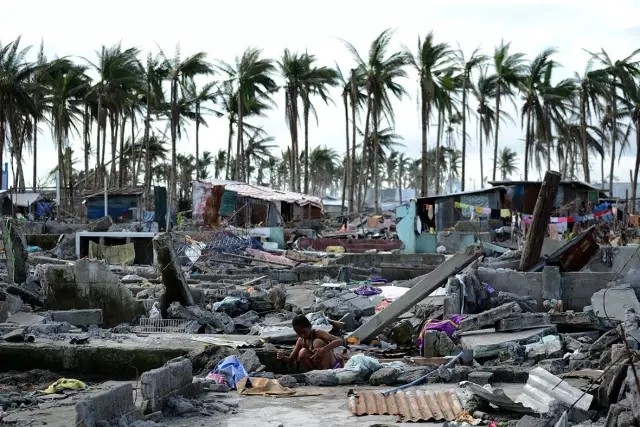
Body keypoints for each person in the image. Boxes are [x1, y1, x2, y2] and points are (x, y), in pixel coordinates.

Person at [277, 315, 343, 371]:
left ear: (309, 327)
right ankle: (314, 373)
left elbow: (339, 340)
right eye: (299, 334)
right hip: (316, 369)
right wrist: (283, 357)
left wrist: (323, 349)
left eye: (304, 332)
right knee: (302, 352)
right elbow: (291, 359)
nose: (302, 335)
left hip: (331, 365)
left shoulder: (318, 333)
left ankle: (325, 371)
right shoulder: (301, 341)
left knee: (317, 342)